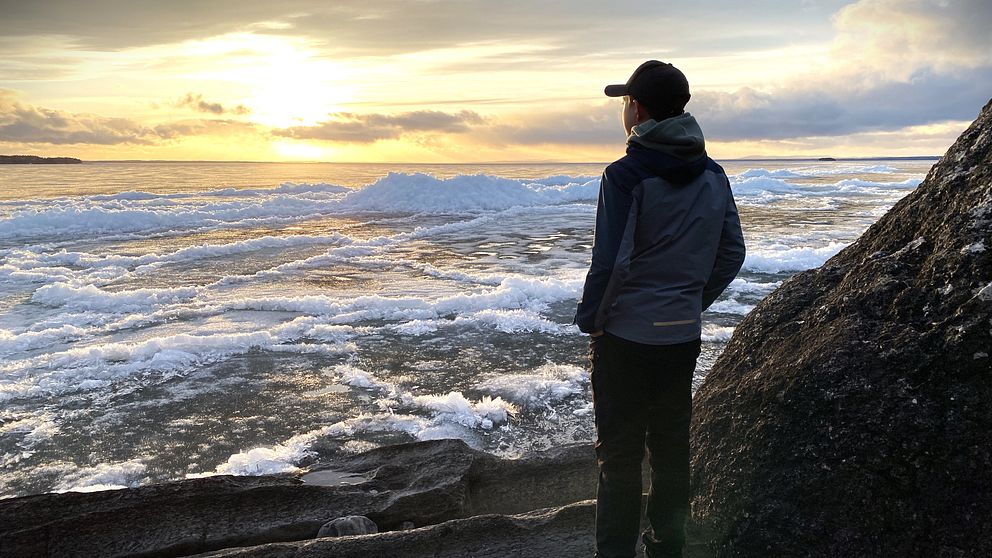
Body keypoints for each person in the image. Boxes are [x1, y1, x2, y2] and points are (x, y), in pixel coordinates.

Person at [575, 60, 746, 558]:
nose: (625, 110)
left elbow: (612, 260)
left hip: (626, 339)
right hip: (681, 336)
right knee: (672, 446)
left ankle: (614, 553)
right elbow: (731, 252)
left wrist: (593, 319)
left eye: (626, 102)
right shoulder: (713, 174)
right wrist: (691, 301)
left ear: (638, 109)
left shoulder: (626, 175)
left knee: (620, 457)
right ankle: (668, 543)